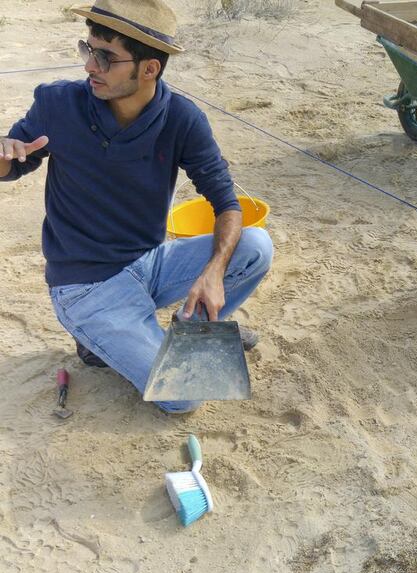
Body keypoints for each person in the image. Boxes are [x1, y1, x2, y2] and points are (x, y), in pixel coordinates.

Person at [0, 0, 273, 413]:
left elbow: (226, 203)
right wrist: (3, 156)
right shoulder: (57, 103)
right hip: (86, 286)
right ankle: (108, 341)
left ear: (150, 69)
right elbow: (13, 163)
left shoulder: (182, 119)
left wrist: (214, 273)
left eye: (105, 57)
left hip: (150, 263)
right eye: (87, 50)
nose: (90, 66)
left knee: (256, 246)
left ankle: (181, 335)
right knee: (183, 397)